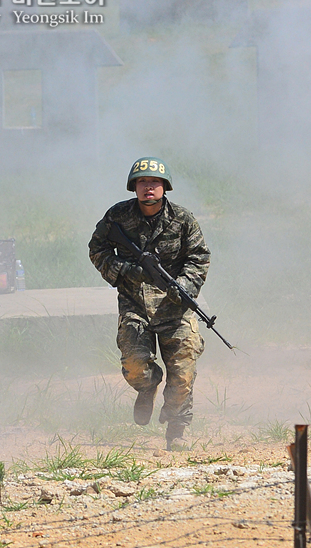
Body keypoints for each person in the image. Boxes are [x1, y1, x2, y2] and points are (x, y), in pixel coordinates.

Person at [89, 157, 210, 450]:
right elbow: (97, 249)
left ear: (164, 187)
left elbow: (199, 257)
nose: (148, 188)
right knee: (134, 365)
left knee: (183, 371)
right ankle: (147, 386)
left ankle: (177, 431)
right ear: (134, 186)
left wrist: (185, 285)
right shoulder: (117, 216)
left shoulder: (183, 219)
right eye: (142, 182)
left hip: (175, 306)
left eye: (154, 182)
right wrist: (127, 271)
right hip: (134, 302)